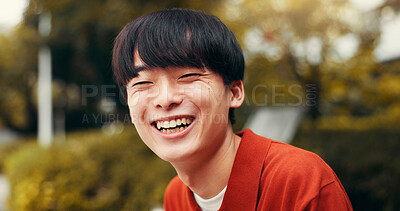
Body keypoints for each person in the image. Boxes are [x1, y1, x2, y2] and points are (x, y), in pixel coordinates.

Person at [112, 8, 353, 211]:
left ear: (234, 93)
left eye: (188, 76)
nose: (165, 100)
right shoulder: (176, 196)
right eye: (142, 83)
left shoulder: (299, 180)